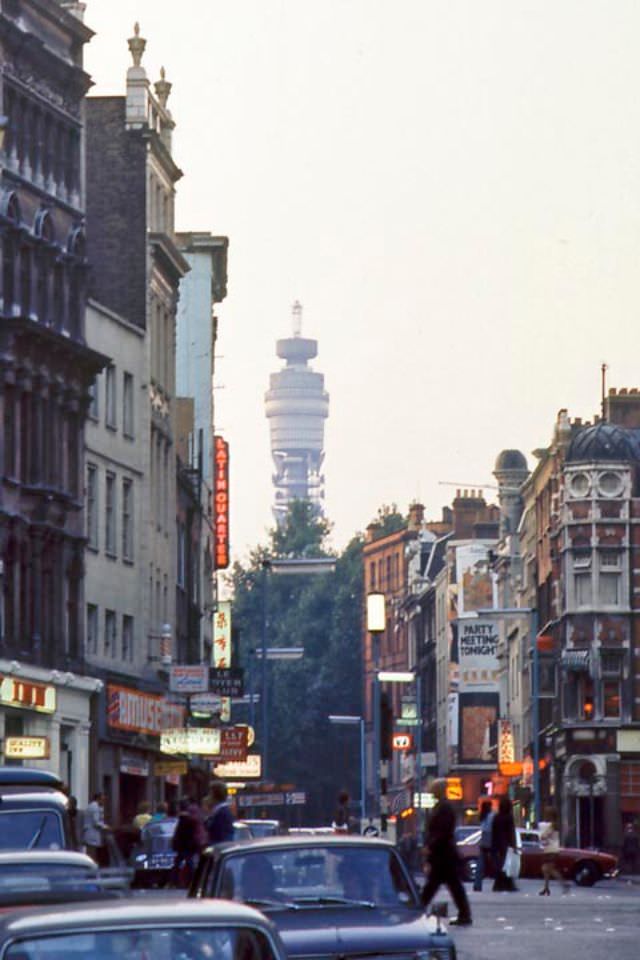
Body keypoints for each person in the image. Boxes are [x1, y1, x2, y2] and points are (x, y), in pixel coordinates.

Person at [420, 779, 472, 926]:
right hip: (443, 853)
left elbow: (441, 831)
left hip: (442, 854)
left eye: (432, 789)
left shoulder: (444, 808)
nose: (430, 791)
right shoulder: (442, 807)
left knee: (435, 886)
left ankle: (417, 911)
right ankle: (464, 914)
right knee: (448, 885)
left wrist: (430, 845)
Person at [170, 798, 201, 887]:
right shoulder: (191, 819)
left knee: (182, 862)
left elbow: (180, 833)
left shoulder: (183, 819)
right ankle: (192, 881)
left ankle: (176, 881)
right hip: (188, 845)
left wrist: (175, 842)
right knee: (187, 862)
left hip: (184, 845)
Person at [491, 796, 518, 892]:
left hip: (496, 844)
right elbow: (511, 832)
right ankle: (508, 884)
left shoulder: (496, 817)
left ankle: (499, 884)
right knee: (507, 865)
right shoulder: (509, 818)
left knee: (500, 865)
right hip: (506, 844)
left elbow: (493, 832)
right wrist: (514, 845)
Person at [539, 813, 569, 896]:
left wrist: (541, 834)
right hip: (553, 849)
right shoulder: (555, 825)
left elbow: (544, 836)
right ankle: (546, 888)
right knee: (546, 869)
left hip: (550, 850)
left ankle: (564, 884)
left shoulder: (551, 826)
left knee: (549, 869)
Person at [473, 800, 494, 892]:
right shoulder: (491, 816)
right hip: (491, 841)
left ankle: (477, 884)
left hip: (483, 841)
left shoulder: (482, 817)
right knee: (496, 862)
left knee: (480, 865)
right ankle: (499, 882)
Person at [83, 792, 109, 865]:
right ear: (98, 799)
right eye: (102, 800)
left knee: (90, 852)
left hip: (90, 833)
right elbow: (96, 822)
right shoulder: (95, 807)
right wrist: (106, 827)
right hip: (93, 834)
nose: (104, 802)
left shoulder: (91, 806)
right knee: (92, 853)